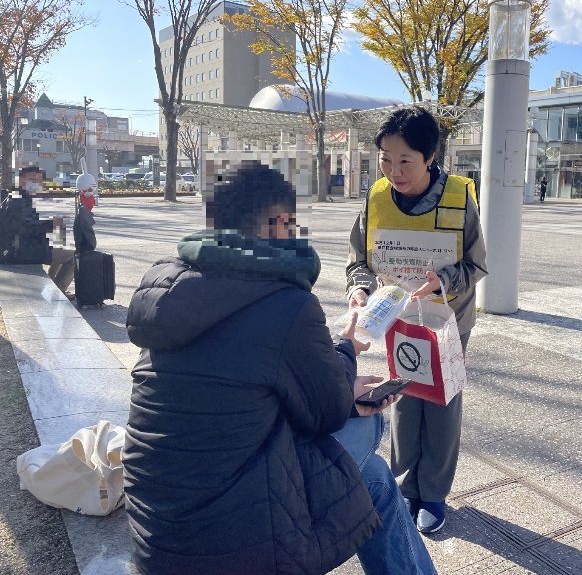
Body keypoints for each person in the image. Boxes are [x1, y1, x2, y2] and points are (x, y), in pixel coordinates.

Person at [123, 161, 436, 575]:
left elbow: (242, 377)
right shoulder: (284, 303)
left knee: (371, 474)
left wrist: (335, 370)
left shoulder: (173, 290)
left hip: (157, 529)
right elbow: (324, 412)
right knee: (371, 437)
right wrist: (347, 347)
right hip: (226, 534)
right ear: (281, 222)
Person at [346, 106, 487, 534]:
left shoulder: (460, 196)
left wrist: (440, 281)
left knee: (442, 401)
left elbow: (476, 265)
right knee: (404, 397)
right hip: (399, 319)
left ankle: (436, 493)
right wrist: (360, 288)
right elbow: (359, 260)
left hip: (447, 323)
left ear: (430, 158)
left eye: (405, 160)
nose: (393, 170)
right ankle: (406, 484)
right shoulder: (375, 199)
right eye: (385, 159)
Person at [0, 166, 75, 293]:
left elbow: (27, 223)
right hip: (19, 252)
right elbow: (24, 227)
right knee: (74, 256)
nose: (36, 184)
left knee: (59, 247)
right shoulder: (18, 201)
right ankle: (60, 291)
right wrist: (50, 224)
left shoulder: (20, 197)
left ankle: (53, 288)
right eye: (32, 180)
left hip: (21, 248)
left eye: (39, 181)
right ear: (21, 180)